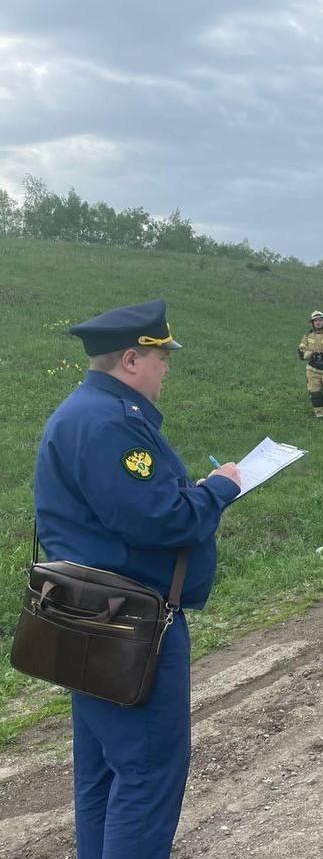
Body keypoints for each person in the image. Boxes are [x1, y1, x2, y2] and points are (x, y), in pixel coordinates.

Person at [33, 299, 241, 858]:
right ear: (131, 359)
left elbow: (132, 509)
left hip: (88, 619)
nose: (166, 367)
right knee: (147, 773)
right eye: (161, 356)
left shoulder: (86, 412)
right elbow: (160, 520)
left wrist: (187, 495)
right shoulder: (109, 425)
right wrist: (220, 488)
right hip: (128, 629)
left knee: (104, 771)